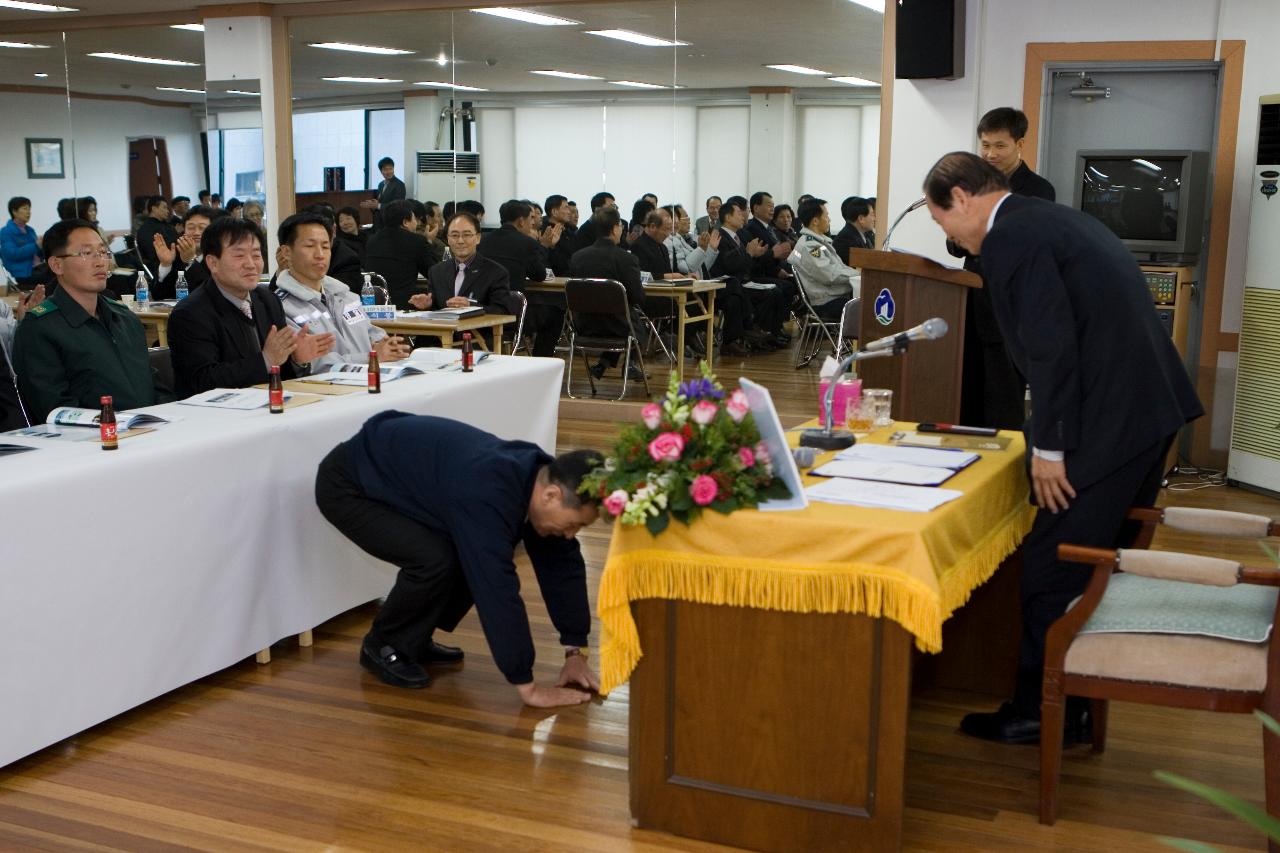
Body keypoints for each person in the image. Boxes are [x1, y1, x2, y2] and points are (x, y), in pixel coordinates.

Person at [922, 151, 1203, 745]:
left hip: (1112, 420)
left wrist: (1048, 448)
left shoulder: (1012, 240)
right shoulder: (1045, 218)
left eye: (941, 219)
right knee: (1087, 563)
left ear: (963, 198)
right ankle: (1073, 701)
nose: (946, 234)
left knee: (1056, 564)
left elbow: (1051, 349)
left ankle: (1040, 709)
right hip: (1143, 413)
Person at [314, 413, 603, 706]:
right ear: (551, 495)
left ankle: (412, 638)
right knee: (436, 559)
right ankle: (385, 644)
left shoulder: (537, 477)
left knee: (463, 553)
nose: (571, 535)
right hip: (348, 485)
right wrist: (527, 686)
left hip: (397, 480)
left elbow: (562, 566)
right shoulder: (490, 491)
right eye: (572, 524)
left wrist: (575, 651)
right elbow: (496, 590)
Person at [950, 107, 1058, 431]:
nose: (989, 154)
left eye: (999, 146)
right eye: (984, 145)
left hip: (1010, 311)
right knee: (965, 394)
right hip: (970, 305)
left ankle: (1003, 471)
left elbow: (1021, 244)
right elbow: (955, 244)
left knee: (1003, 399)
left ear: (1020, 144)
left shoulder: (1038, 190)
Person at [12, 219, 172, 422]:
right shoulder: (39, 329)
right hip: (95, 442)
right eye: (86, 253)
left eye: (103, 252)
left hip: (152, 432)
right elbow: (54, 408)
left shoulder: (125, 318)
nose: (100, 262)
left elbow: (153, 383)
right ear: (57, 265)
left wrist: (168, 418)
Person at [167, 216, 334, 397]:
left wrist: (296, 360)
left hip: (267, 406)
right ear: (213, 263)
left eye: (256, 255)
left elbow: (280, 372)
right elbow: (202, 382)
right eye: (239, 255)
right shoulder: (190, 314)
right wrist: (265, 360)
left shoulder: (268, 300)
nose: (251, 264)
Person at [272, 211, 407, 373]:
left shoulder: (347, 297)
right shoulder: (279, 306)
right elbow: (311, 364)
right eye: (309, 246)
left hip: (371, 382)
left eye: (325, 246)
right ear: (286, 252)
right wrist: (370, 357)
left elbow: (371, 333)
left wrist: (386, 344)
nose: (320, 255)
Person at [568, 206, 646, 380]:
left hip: (584, 326)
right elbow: (637, 296)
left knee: (621, 318)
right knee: (636, 324)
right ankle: (629, 366)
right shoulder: (627, 259)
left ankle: (603, 363)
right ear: (614, 228)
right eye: (620, 226)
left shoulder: (577, 258)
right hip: (619, 327)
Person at [478, 200, 563, 357]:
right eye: (530, 218)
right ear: (521, 221)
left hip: (481, 308)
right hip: (511, 312)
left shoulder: (482, 240)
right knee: (555, 313)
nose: (532, 223)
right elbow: (539, 275)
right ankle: (540, 363)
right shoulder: (526, 243)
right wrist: (544, 247)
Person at [423, 212, 511, 350]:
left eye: (467, 235)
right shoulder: (436, 271)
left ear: (478, 238)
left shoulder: (496, 272)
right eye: (455, 235)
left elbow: (502, 311)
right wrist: (427, 305)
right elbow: (437, 309)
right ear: (448, 238)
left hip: (476, 341)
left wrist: (470, 305)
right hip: (438, 342)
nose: (460, 241)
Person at [710, 196, 787, 353]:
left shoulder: (740, 236)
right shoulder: (719, 236)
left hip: (742, 281)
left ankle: (765, 333)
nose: (743, 216)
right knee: (768, 294)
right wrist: (749, 254)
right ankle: (753, 332)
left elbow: (746, 265)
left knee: (775, 291)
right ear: (728, 217)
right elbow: (728, 264)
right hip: (725, 284)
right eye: (738, 213)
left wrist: (755, 255)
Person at [790, 198, 859, 321]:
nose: (829, 220)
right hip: (826, 302)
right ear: (815, 221)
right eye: (826, 216)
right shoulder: (809, 246)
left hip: (835, 297)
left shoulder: (818, 242)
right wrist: (857, 275)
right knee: (870, 307)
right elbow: (829, 275)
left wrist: (857, 275)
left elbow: (839, 268)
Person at [364, 199, 437, 310]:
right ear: (405, 222)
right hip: (407, 304)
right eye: (414, 219)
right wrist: (429, 242)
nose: (416, 223)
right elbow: (433, 273)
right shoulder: (416, 241)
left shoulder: (372, 240)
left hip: (375, 304)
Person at [153, 204, 220, 299]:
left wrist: (190, 260)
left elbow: (211, 294)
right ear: (184, 231)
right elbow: (159, 296)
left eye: (202, 228)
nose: (196, 233)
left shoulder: (219, 257)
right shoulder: (175, 253)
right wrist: (165, 265)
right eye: (191, 228)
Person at [665, 204, 719, 278]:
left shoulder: (690, 239)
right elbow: (686, 269)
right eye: (686, 217)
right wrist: (701, 249)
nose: (689, 221)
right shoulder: (669, 240)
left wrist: (711, 249)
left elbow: (702, 267)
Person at [1, 197, 42, 286]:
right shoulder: (5, 232)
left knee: (61, 270)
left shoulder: (30, 230)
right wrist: (36, 245)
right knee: (57, 276)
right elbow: (13, 254)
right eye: (25, 208)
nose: (28, 212)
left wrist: (44, 246)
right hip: (24, 273)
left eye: (29, 209)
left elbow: (38, 253)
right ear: (14, 212)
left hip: (38, 268)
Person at [135, 196, 176, 279]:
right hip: (161, 265)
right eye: (164, 207)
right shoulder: (147, 229)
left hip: (173, 259)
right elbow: (152, 253)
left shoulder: (165, 224)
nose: (168, 211)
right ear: (154, 208)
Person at [363, 157, 407, 228]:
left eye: (390, 169)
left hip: (391, 223)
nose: (388, 172)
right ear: (381, 171)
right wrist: (373, 204)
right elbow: (381, 201)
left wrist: (378, 205)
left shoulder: (399, 184)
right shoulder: (381, 184)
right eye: (385, 170)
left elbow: (398, 206)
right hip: (379, 222)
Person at [833, 196, 873, 266]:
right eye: (872, 215)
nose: (874, 219)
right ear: (861, 219)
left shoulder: (864, 235)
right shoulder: (846, 238)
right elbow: (858, 266)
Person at [543, 194, 577, 275]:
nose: (569, 212)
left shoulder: (568, 231)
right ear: (554, 212)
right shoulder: (546, 232)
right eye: (565, 208)